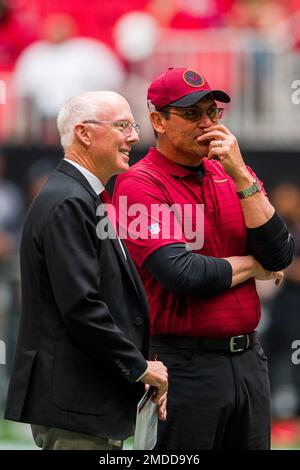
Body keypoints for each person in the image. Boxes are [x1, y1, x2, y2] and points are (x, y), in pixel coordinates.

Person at [113, 67, 295, 450]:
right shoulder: (139, 183)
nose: (207, 124)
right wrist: (253, 266)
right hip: (183, 365)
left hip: (248, 359)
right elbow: (182, 274)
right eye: (192, 114)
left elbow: (280, 253)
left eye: (213, 113)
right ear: (158, 120)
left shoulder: (233, 172)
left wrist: (242, 175)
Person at [4, 91, 168, 450]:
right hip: (76, 404)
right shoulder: (69, 200)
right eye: (123, 125)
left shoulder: (81, 197)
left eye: (133, 125)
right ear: (84, 133)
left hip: (86, 400)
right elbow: (82, 307)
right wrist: (139, 367)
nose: (135, 136)